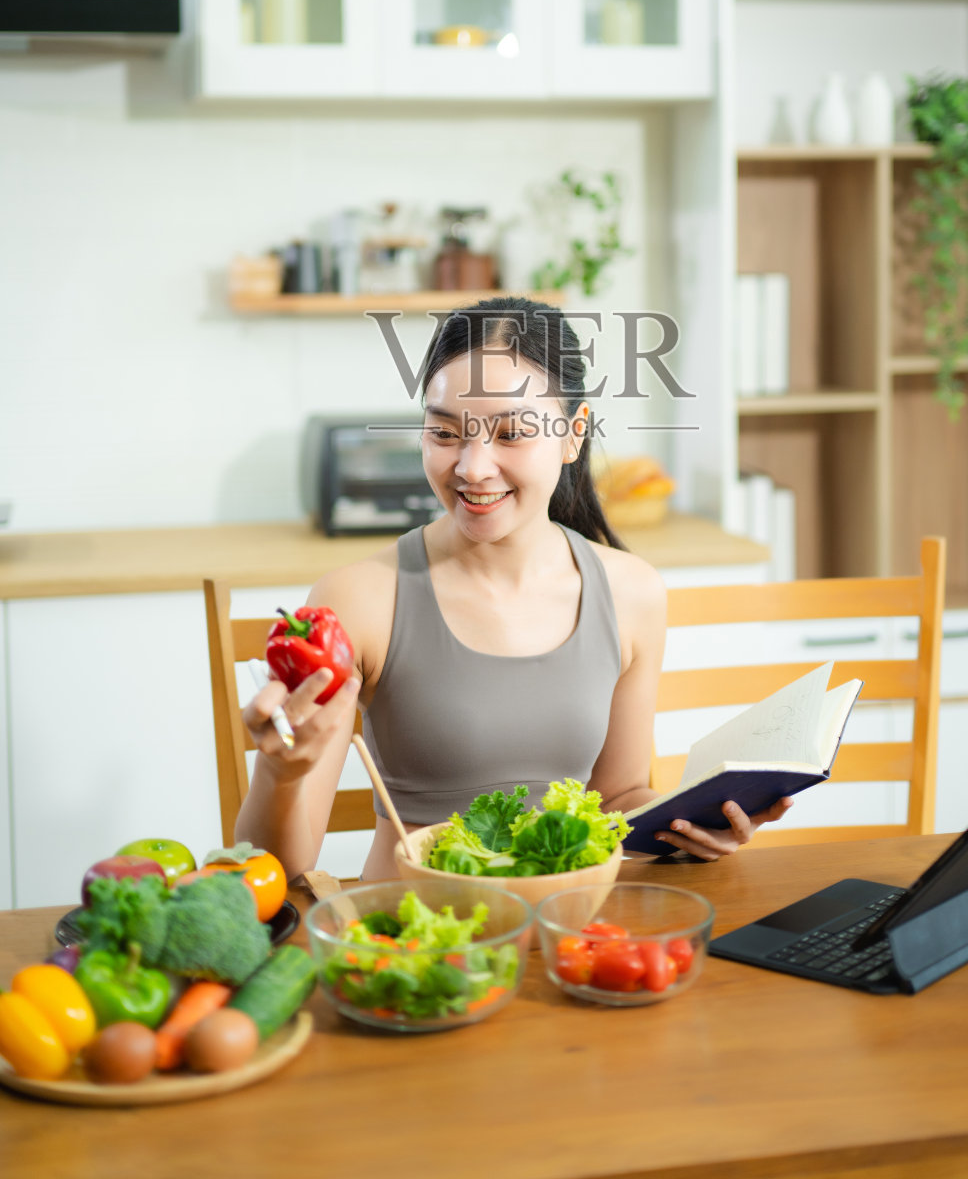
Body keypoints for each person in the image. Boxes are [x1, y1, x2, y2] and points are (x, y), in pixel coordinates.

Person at [236, 297, 791, 879]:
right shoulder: (358, 599)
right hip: (416, 939)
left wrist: (689, 823)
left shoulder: (632, 592)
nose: (472, 467)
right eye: (445, 432)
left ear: (573, 436)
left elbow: (619, 801)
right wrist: (283, 770)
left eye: (512, 433)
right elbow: (274, 869)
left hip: (566, 930)